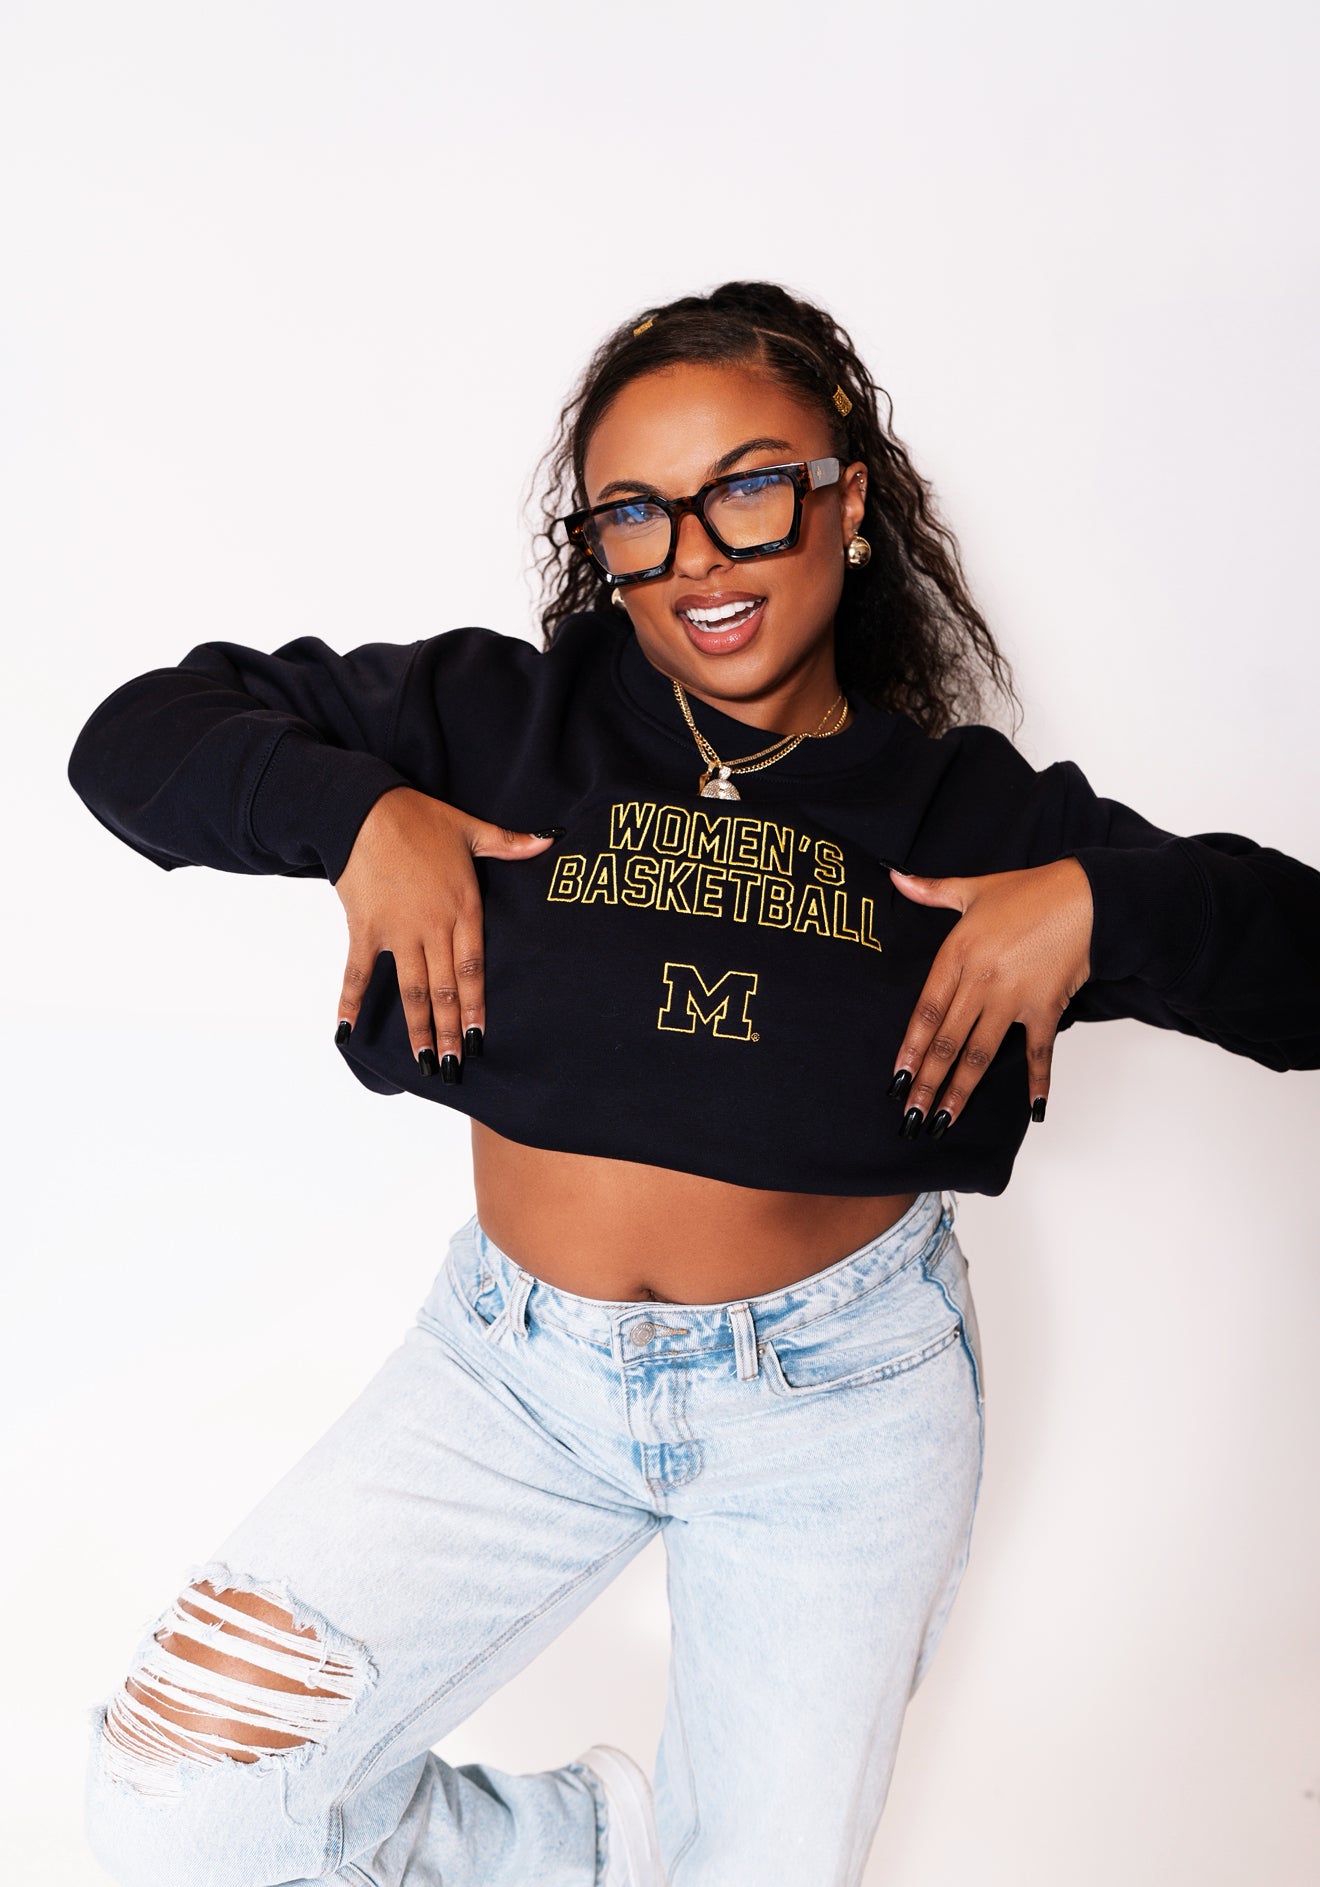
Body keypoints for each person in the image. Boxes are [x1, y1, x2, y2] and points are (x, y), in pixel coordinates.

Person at [67, 280, 1320, 1887]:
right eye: (638, 516)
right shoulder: (496, 724)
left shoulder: (963, 819)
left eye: (748, 490)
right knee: (184, 1797)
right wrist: (360, 815)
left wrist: (1099, 904)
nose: (698, 559)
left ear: (847, 501)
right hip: (511, 1378)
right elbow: (134, 737)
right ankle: (607, 1848)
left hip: (838, 1411)